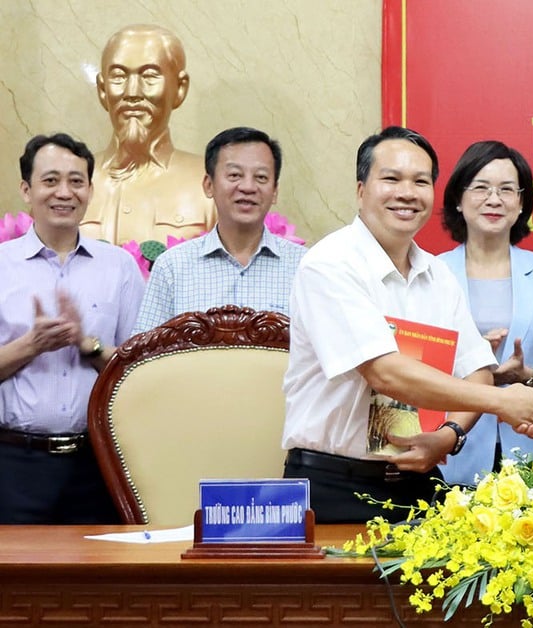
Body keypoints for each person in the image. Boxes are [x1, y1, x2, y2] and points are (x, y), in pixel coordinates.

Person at [281, 127, 533, 523]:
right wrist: (506, 402)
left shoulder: (437, 274)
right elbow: (384, 372)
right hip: (333, 485)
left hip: (417, 480)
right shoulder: (330, 263)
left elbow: (478, 371)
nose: (407, 192)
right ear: (361, 190)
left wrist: (448, 437)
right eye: (391, 179)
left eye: (421, 181)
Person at [0, 133, 145, 524]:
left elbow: (141, 378)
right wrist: (31, 345)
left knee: (96, 581)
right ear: (26, 190)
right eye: (50, 181)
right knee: (16, 581)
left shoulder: (120, 268)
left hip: (98, 462)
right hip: (14, 463)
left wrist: (88, 345)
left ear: (90, 190)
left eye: (76, 181)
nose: (64, 192)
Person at [435, 141, 533, 485]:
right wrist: (473, 364)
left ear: (521, 203)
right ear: (458, 198)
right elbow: (415, 369)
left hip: (531, 447)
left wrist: (525, 375)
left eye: (507, 190)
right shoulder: (432, 273)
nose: (494, 199)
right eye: (481, 187)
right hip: (453, 449)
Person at [133, 127, 307, 333]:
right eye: (234, 175)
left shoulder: (304, 267)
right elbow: (145, 356)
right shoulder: (172, 267)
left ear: (275, 191)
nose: (248, 187)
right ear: (209, 185)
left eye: (261, 177)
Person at [81, 24, 216, 245]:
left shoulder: (211, 183)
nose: (132, 92)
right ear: (102, 90)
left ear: (180, 88)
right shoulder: (66, 185)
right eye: (119, 76)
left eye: (149, 76)